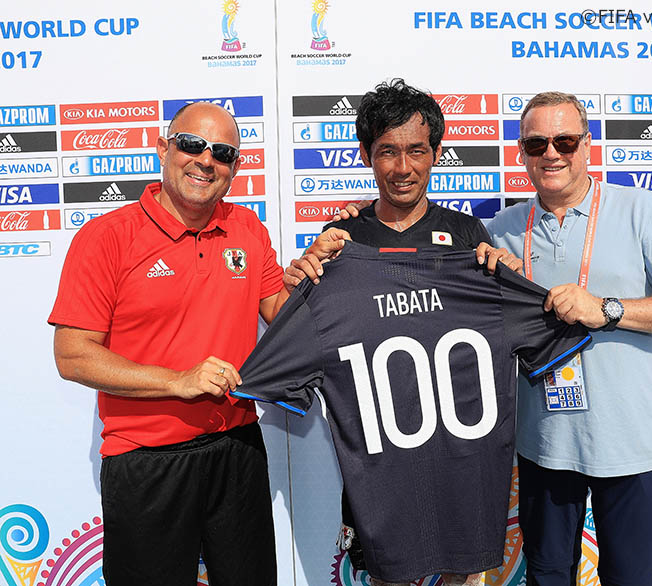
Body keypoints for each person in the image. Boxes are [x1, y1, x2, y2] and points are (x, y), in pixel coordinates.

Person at [285, 79, 518, 586]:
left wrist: (515, 281)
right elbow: (306, 332)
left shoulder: (468, 235)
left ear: (436, 153)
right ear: (366, 155)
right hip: (380, 471)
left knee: (461, 575)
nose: (403, 167)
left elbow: (504, 323)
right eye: (388, 152)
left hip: (460, 458)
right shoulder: (342, 239)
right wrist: (298, 287)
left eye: (416, 150)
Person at [49, 102, 288, 586]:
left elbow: (286, 319)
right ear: (163, 148)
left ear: (235, 167)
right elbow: (72, 355)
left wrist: (328, 268)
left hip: (237, 447)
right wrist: (178, 381)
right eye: (192, 145)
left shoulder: (247, 228)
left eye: (222, 153)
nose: (206, 161)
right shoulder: (106, 238)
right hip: (146, 460)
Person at [486, 91, 652, 586]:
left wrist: (605, 309)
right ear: (522, 153)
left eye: (564, 141)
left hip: (631, 448)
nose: (551, 153)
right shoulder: (501, 231)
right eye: (537, 143)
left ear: (587, 144)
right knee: (547, 578)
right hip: (544, 448)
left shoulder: (640, 209)